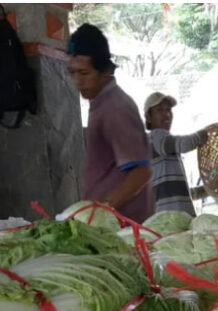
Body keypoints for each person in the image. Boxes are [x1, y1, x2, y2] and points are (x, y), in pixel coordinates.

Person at [67, 24, 153, 223]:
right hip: (110, 223)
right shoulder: (100, 103)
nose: (77, 81)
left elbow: (141, 173)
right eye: (72, 72)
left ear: (105, 71)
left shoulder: (115, 108)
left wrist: (103, 210)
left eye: (84, 73)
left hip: (123, 227)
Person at [143, 92, 209, 216]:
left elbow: (179, 194)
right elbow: (185, 144)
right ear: (148, 118)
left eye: (168, 110)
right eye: (159, 110)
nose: (167, 114)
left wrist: (207, 190)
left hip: (172, 218)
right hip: (169, 218)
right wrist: (205, 134)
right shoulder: (155, 137)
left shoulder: (165, 148)